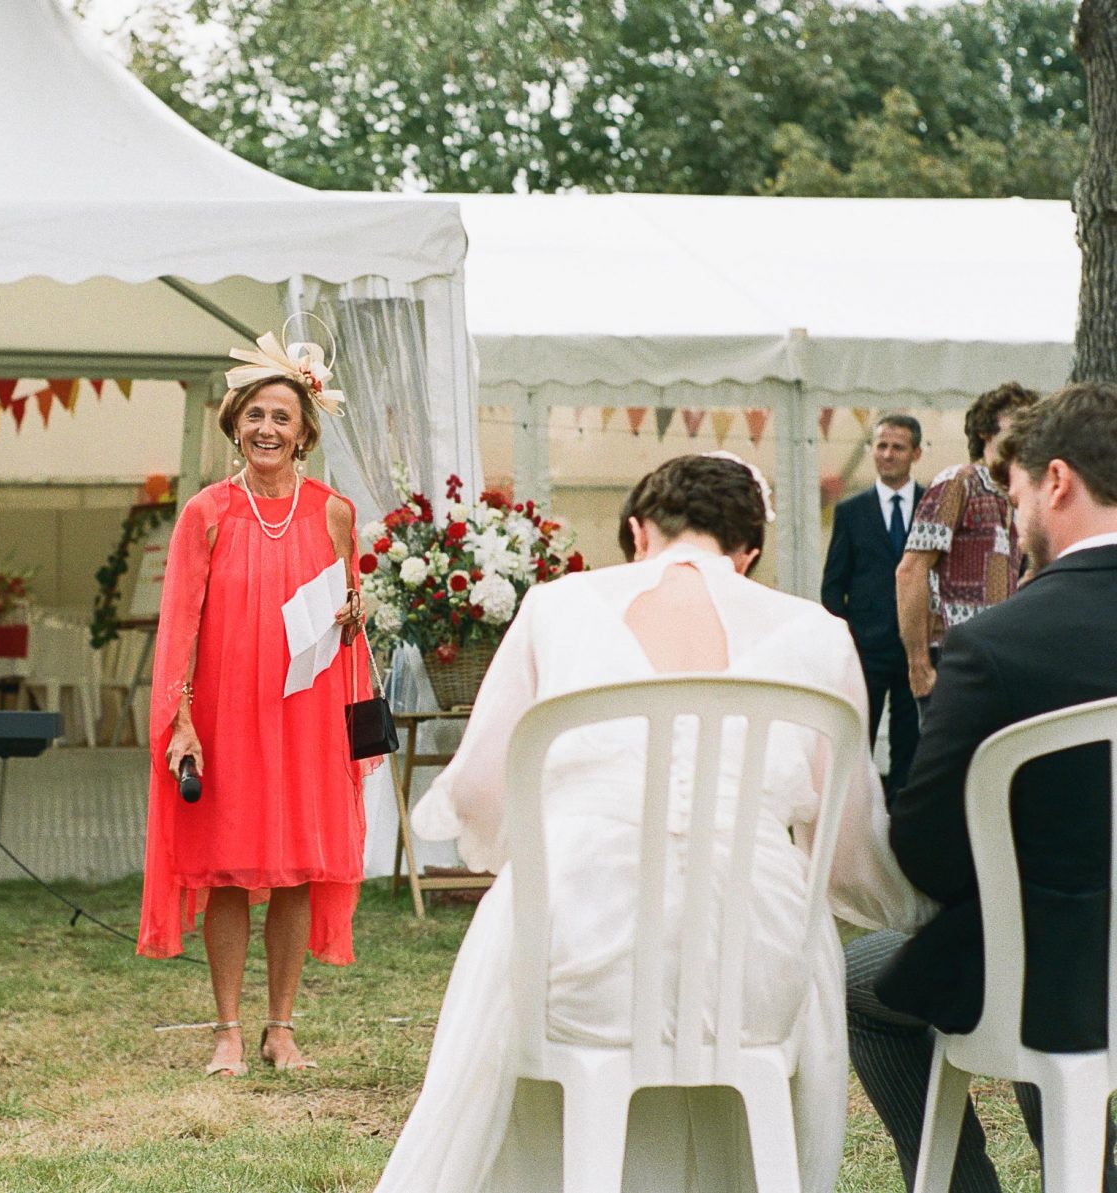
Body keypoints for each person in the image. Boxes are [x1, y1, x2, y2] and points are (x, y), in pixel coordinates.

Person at [374, 454, 932, 1192]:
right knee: (785, 937)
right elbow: (848, 851)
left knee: (521, 928)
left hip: (578, 961)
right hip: (757, 971)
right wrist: (916, 906)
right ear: (749, 551)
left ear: (638, 532)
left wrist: (546, 857)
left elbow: (478, 794)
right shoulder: (820, 634)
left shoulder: (557, 606)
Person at [846, 383, 1117, 1191]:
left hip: (1058, 975)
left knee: (861, 981)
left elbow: (926, 851)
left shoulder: (1000, 642)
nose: (1014, 511)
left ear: (1057, 480)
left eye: (1019, 490)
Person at [137, 331, 374, 1077]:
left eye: (281, 417)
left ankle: (281, 1027)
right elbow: (179, 625)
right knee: (229, 868)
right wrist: (181, 719)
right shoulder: (206, 512)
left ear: (304, 433)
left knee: (300, 866)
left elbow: (348, 619)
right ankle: (228, 1031)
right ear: (235, 425)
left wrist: (356, 614)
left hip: (307, 714)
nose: (266, 428)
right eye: (254, 415)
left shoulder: (336, 513)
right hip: (227, 713)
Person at [898, 383, 1039, 708]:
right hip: (954, 655)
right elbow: (910, 570)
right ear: (985, 431)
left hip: (998, 655)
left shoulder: (1015, 495)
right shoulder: (958, 482)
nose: (1028, 430)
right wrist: (919, 665)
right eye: (1018, 421)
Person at [823, 414, 926, 794]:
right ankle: (855, 810)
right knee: (857, 735)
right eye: (881, 445)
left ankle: (903, 815)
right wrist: (848, 638)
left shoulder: (933, 506)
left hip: (918, 648)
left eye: (897, 447)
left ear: (915, 453)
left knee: (911, 742)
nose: (887, 454)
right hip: (867, 648)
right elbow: (833, 585)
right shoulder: (851, 511)